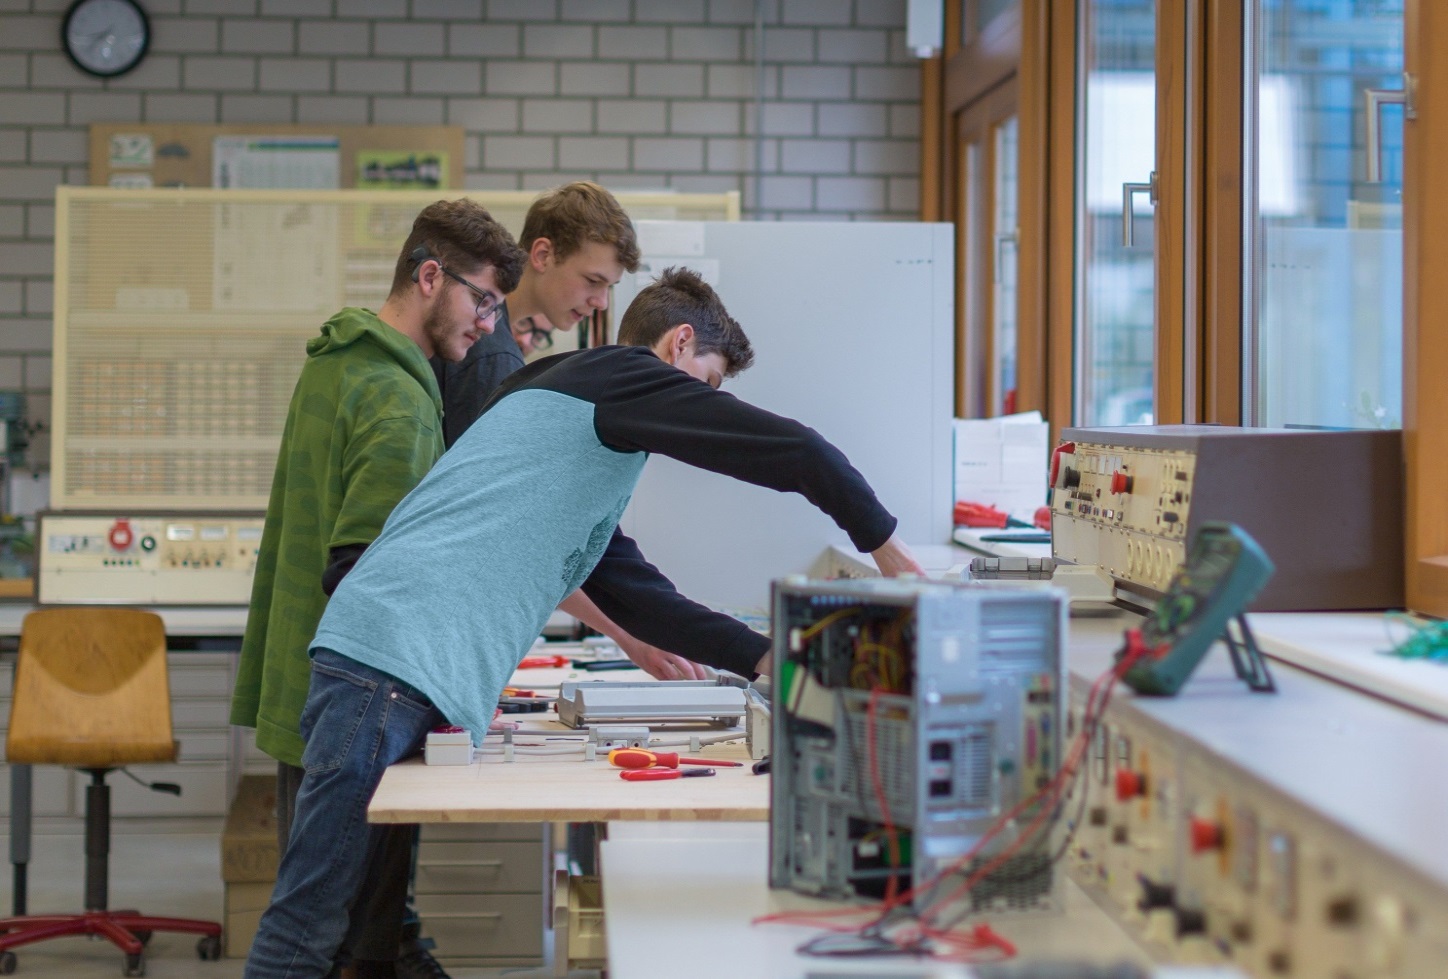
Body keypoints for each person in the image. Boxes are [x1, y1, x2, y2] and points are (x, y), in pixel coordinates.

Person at [243, 267, 923, 978]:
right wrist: (890, 550)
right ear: (679, 343)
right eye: (710, 382)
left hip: (391, 661)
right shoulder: (620, 377)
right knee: (310, 922)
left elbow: (634, 593)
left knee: (360, 928)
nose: (706, 405)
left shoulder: (565, 404)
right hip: (389, 663)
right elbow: (794, 451)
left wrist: (769, 658)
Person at [230, 199, 525, 979]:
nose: (492, 325)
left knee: (339, 931)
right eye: (484, 300)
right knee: (338, 941)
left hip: (309, 688)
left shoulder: (337, 362)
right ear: (431, 276)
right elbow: (365, 575)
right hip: (356, 704)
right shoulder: (399, 398)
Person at [432, 181, 710, 682]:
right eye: (592, 281)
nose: (602, 302)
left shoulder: (502, 352)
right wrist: (628, 633)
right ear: (542, 254)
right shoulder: (491, 357)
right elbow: (521, 527)